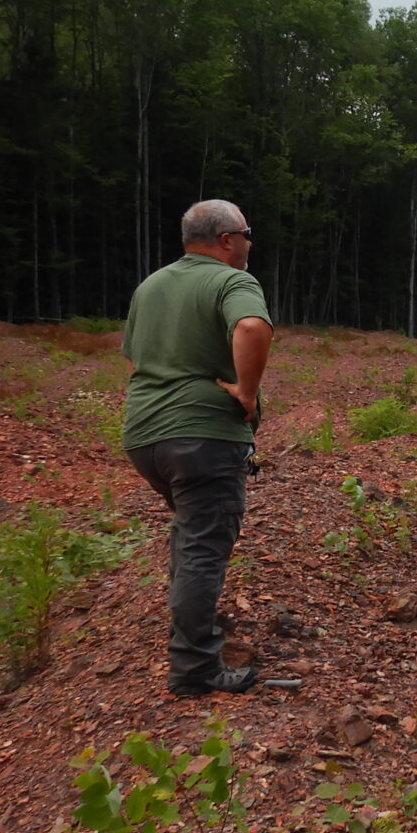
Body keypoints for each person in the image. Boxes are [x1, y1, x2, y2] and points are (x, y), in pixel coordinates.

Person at [122, 199, 273, 695]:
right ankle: (194, 670)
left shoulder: (150, 286)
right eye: (247, 233)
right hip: (203, 435)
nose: (251, 242)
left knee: (192, 538)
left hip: (145, 436)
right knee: (205, 548)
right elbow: (251, 326)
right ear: (226, 239)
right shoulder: (232, 281)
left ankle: (191, 630)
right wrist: (246, 395)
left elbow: (135, 360)